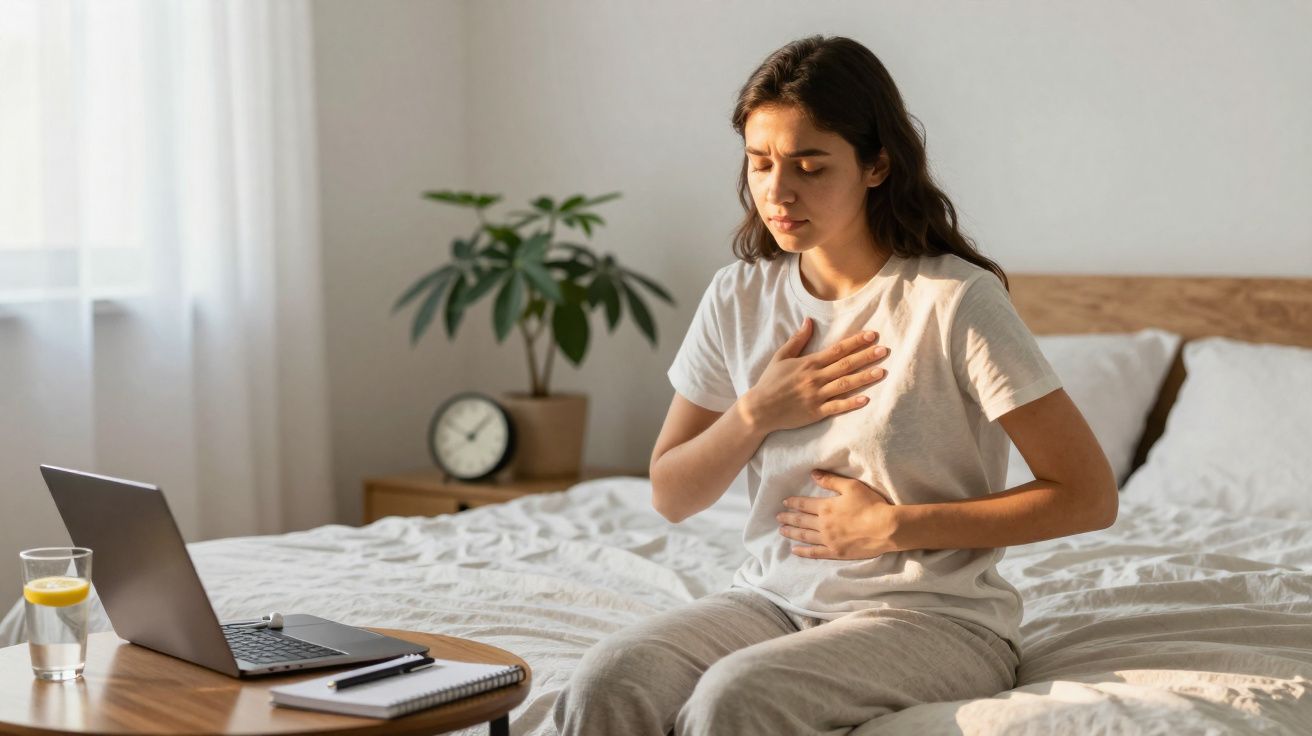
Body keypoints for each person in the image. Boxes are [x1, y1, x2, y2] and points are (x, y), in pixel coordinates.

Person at [553, 34, 1116, 736]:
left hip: (934, 618)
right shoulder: (739, 296)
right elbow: (671, 493)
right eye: (760, 163)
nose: (777, 192)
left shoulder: (954, 300)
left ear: (877, 165)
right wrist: (757, 411)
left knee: (735, 700)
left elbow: (1088, 495)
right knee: (607, 682)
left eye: (809, 166)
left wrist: (897, 526)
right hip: (771, 600)